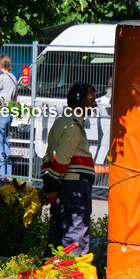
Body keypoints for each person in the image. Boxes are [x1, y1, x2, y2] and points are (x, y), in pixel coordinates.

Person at [41, 82, 97, 255]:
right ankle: (73, 276)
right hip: (75, 188)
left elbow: (49, 156)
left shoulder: (62, 121)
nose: (94, 105)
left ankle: (52, 274)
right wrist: (52, 183)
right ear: (79, 101)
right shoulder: (73, 126)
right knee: (75, 235)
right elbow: (63, 158)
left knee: (57, 234)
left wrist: (51, 185)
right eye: (91, 101)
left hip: (65, 187)